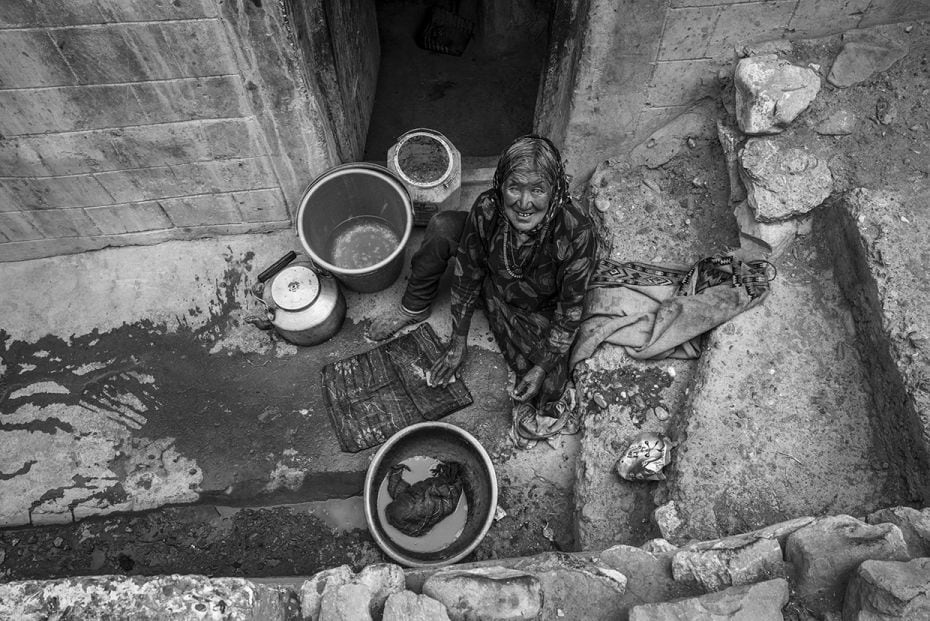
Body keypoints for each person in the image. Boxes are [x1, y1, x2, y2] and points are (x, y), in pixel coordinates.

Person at [367, 135, 598, 424]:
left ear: (554, 191)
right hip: (492, 277)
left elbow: (570, 310)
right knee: (443, 227)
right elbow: (467, 271)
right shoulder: (489, 207)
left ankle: (500, 312)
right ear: (501, 185)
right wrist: (458, 341)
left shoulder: (576, 231)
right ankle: (413, 306)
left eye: (538, 190)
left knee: (548, 387)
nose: (524, 203)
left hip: (532, 305)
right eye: (514, 187)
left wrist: (542, 366)